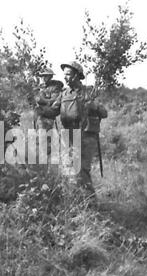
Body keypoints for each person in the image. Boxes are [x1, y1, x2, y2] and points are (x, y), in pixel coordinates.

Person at [42, 61, 108, 192]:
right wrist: (40, 107)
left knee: (82, 171)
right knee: (68, 169)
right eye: (64, 75)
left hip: (85, 136)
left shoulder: (87, 92)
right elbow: (52, 111)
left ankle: (90, 203)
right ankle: (75, 200)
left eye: (68, 74)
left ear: (76, 75)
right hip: (68, 135)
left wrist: (93, 106)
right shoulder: (64, 94)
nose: (65, 77)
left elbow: (104, 113)